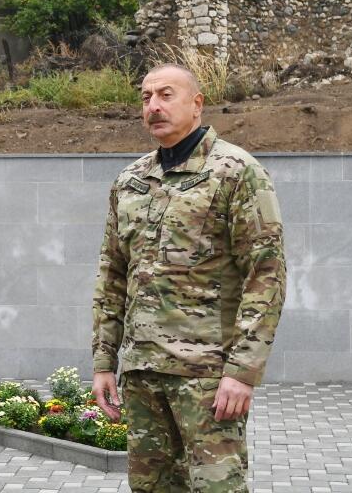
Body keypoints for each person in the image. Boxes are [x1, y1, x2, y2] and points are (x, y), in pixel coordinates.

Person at [91, 63, 287, 492]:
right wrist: (105, 361)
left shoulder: (236, 172)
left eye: (165, 95)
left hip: (207, 376)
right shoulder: (130, 181)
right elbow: (113, 274)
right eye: (146, 98)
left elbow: (266, 274)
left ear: (196, 104)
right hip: (142, 372)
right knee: (152, 488)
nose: (153, 106)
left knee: (217, 487)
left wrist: (243, 371)